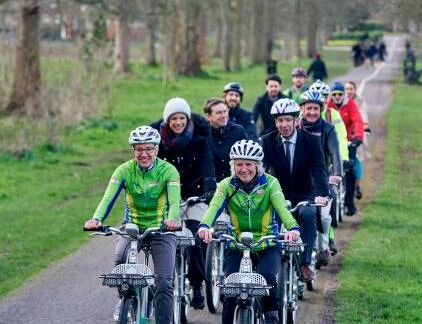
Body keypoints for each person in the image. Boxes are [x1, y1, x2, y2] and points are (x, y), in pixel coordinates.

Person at [83, 126, 181, 324]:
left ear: (156, 149)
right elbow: (108, 198)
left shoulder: (168, 171)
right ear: (133, 150)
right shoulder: (124, 170)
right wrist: (97, 219)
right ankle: (126, 299)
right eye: (138, 149)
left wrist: (171, 220)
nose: (143, 154)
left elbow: (174, 203)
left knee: (164, 281)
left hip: (161, 229)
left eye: (148, 149)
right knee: (121, 263)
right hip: (132, 227)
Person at [198, 139, 301, 324]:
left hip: (266, 244)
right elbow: (213, 207)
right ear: (233, 166)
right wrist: (205, 226)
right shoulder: (226, 185)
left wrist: (292, 227)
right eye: (239, 164)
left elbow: (282, 208)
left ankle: (271, 317)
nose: (244, 169)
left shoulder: (270, 183)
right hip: (237, 244)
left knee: (267, 280)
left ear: (258, 166)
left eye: (248, 164)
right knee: (230, 291)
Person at [150, 97, 217, 309]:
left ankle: (197, 285)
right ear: (167, 120)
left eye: (181, 118)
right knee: (160, 237)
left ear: (187, 119)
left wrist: (209, 189)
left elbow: (207, 166)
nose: (178, 122)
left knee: (196, 238)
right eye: (173, 119)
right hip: (168, 196)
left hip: (194, 194)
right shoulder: (157, 140)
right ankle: (160, 282)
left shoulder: (199, 137)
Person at [261, 98, 330, 281]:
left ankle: (305, 263)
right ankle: (265, 260)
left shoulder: (312, 141)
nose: (284, 125)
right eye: (280, 121)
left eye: (288, 120)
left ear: (296, 120)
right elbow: (261, 171)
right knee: (268, 220)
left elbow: (318, 170)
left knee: (308, 214)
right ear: (275, 122)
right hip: (278, 194)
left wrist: (322, 194)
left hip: (305, 193)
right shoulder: (267, 142)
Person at [298, 90, 343, 266]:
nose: (312, 112)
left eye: (316, 108)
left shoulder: (328, 129)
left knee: (324, 216)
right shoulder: (295, 127)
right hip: (300, 179)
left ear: (321, 109)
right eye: (308, 108)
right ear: (302, 109)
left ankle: (323, 247)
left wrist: (337, 174)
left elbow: (334, 154)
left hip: (322, 179)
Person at [309, 80, 348, 252]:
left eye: (325, 97)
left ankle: (329, 238)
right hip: (304, 173)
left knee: (329, 200)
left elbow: (339, 143)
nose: (313, 110)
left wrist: (341, 166)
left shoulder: (332, 117)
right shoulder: (300, 121)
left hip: (326, 167)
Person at [326, 83, 364, 216]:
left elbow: (357, 121)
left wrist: (358, 137)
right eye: (334, 94)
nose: (337, 97)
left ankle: (349, 203)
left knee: (351, 170)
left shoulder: (351, 104)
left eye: (340, 94)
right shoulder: (327, 106)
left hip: (347, 142)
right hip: (330, 142)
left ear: (344, 95)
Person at [203, 97, 248, 182]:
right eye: (219, 113)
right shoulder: (202, 135)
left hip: (236, 182)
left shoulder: (239, 131)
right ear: (208, 117)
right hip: (211, 184)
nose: (224, 115)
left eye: (225, 111)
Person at [345, 81, 371, 200]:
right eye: (347, 89)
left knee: (358, 159)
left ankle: (358, 187)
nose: (349, 91)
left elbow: (363, 116)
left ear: (355, 90)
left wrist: (363, 127)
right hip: (343, 135)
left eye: (351, 89)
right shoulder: (341, 100)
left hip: (356, 135)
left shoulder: (360, 101)